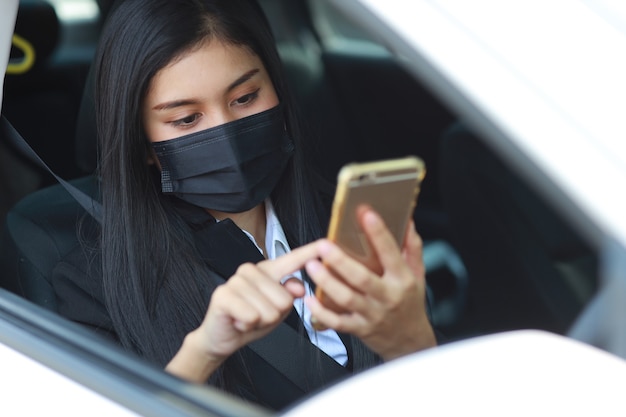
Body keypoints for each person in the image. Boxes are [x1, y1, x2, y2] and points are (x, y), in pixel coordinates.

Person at [60, 0, 436, 410]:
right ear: (144, 143)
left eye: (245, 97)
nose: (227, 133)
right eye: (186, 119)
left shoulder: (346, 221)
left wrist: (413, 340)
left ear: (276, 86)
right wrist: (204, 351)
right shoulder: (98, 282)